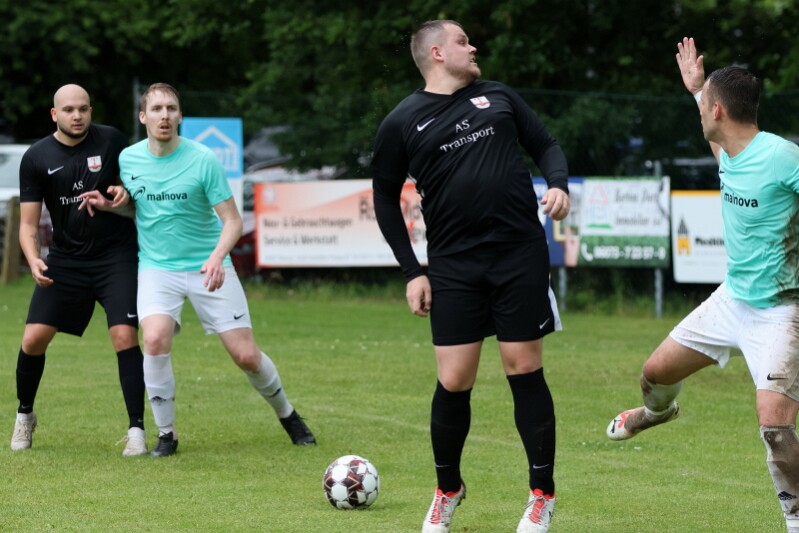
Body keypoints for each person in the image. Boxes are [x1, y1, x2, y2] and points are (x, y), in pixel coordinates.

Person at [371, 20, 570, 533]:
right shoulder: (401, 121)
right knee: (454, 379)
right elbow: (384, 201)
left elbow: (546, 144)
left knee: (523, 368)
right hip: (454, 265)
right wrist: (412, 272)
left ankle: (542, 495)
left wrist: (558, 184)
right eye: (462, 41)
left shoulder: (499, 96)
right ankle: (447, 489)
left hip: (518, 255)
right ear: (437, 52)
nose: (473, 46)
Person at [607, 37, 799, 533]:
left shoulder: (783, 157)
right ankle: (656, 414)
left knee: (775, 428)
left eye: (704, 103)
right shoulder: (729, 150)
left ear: (718, 110)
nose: (702, 113)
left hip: (781, 310)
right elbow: (717, 136)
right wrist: (696, 87)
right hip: (731, 300)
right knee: (653, 375)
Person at [117, 83, 315, 457]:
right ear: (143, 117)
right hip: (157, 268)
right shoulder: (128, 160)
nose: (164, 116)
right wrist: (111, 204)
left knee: (246, 356)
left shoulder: (203, 158)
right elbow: (132, 206)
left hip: (210, 265)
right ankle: (166, 435)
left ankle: (288, 415)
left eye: (171, 108)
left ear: (180, 116)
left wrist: (216, 256)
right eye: (156, 109)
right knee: (154, 338)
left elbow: (233, 221)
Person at [12, 84, 147, 456]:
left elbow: (134, 190)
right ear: (54, 114)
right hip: (66, 259)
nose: (77, 115)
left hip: (115, 256)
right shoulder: (36, 157)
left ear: (91, 111)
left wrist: (123, 195)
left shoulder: (112, 141)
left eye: (83, 109)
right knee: (33, 340)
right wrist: (33, 258)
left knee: (124, 335)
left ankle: (136, 429)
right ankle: (25, 414)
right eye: (69, 110)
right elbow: (27, 225)